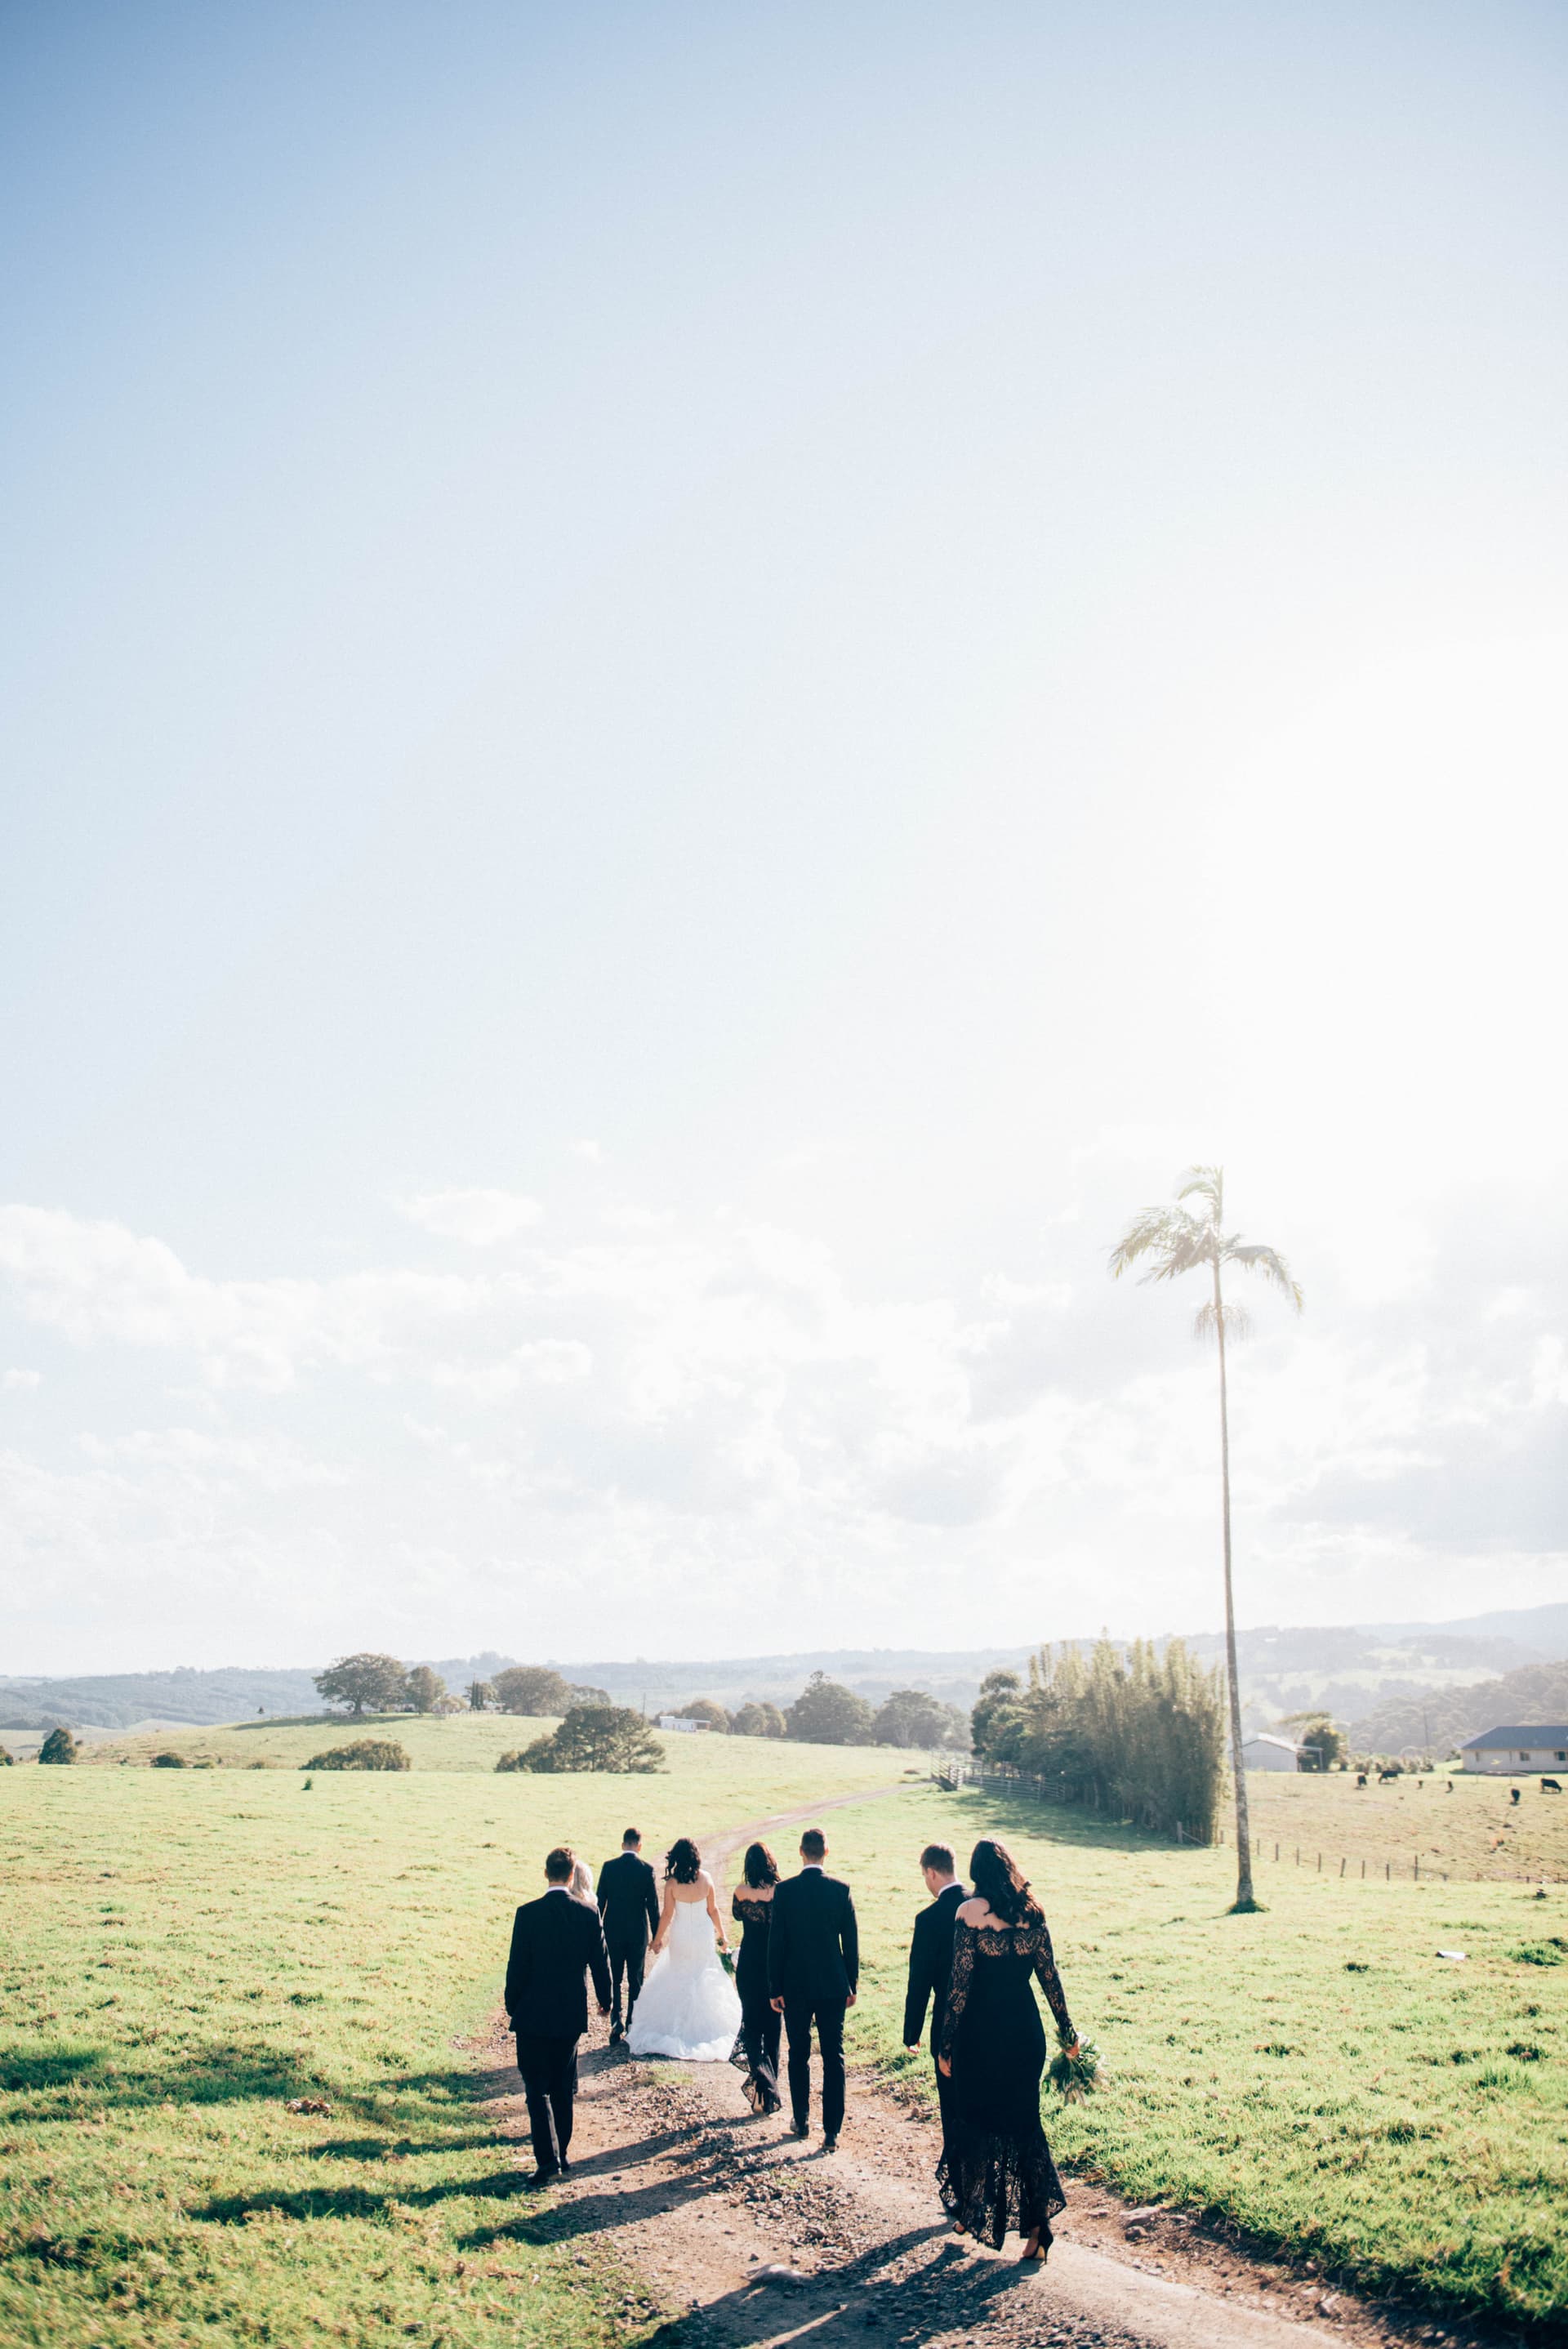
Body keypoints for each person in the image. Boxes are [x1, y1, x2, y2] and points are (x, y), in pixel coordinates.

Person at [937, 1837, 1079, 2262]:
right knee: (1025, 2127)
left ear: (977, 1873)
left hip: (981, 2036)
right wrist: (1068, 2032)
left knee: (975, 2120)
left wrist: (946, 2043)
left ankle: (975, 2210)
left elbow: (959, 1986)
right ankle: (1037, 2231)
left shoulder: (969, 1913)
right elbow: (1050, 1978)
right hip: (1024, 2035)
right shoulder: (1032, 1913)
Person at [504, 1845, 612, 2186]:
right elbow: (601, 1962)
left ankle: (547, 2159)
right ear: (571, 1875)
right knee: (563, 2087)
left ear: (545, 1873)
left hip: (532, 2013)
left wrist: (512, 2004)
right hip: (569, 2013)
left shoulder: (527, 1914)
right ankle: (562, 2153)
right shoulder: (588, 1913)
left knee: (536, 2088)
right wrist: (606, 2000)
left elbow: (517, 1966)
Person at [768, 1826, 858, 2151]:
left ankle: (802, 2119)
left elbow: (776, 1943)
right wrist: (851, 1984)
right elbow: (851, 1943)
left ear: (801, 1852)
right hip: (833, 1984)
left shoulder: (785, 1891)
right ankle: (832, 2131)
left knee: (799, 2053)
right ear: (826, 1852)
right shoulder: (841, 1890)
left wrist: (774, 1987)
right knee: (834, 2055)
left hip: (795, 1985)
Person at [626, 1836, 742, 2060]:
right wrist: (723, 1935)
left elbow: (667, 1915)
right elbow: (713, 1910)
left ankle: (674, 2024)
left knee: (679, 1973)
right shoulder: (706, 1879)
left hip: (681, 1936)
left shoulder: (672, 1884)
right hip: (702, 1935)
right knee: (702, 1974)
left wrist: (657, 1940)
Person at [902, 1841, 966, 2166]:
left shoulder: (928, 1919)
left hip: (946, 2025)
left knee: (952, 2106)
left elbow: (919, 1983)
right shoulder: (984, 1904)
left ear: (931, 1873)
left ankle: (958, 2171)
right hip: (990, 2020)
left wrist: (911, 2033)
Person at [729, 1841, 782, 2115]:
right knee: (773, 2027)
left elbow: (738, 1916)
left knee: (751, 2024)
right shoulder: (781, 1891)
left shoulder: (741, 1892)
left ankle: (762, 2083)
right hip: (773, 1965)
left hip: (749, 1963)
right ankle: (769, 2089)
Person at [597, 1828, 661, 2043]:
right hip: (637, 1932)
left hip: (613, 1930)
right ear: (639, 1846)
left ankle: (616, 2019)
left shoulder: (609, 1867)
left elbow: (600, 1902)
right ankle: (632, 2022)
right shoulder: (646, 1870)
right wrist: (656, 1936)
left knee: (615, 1977)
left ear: (623, 1845)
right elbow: (653, 1906)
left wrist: (596, 1932)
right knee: (636, 1979)